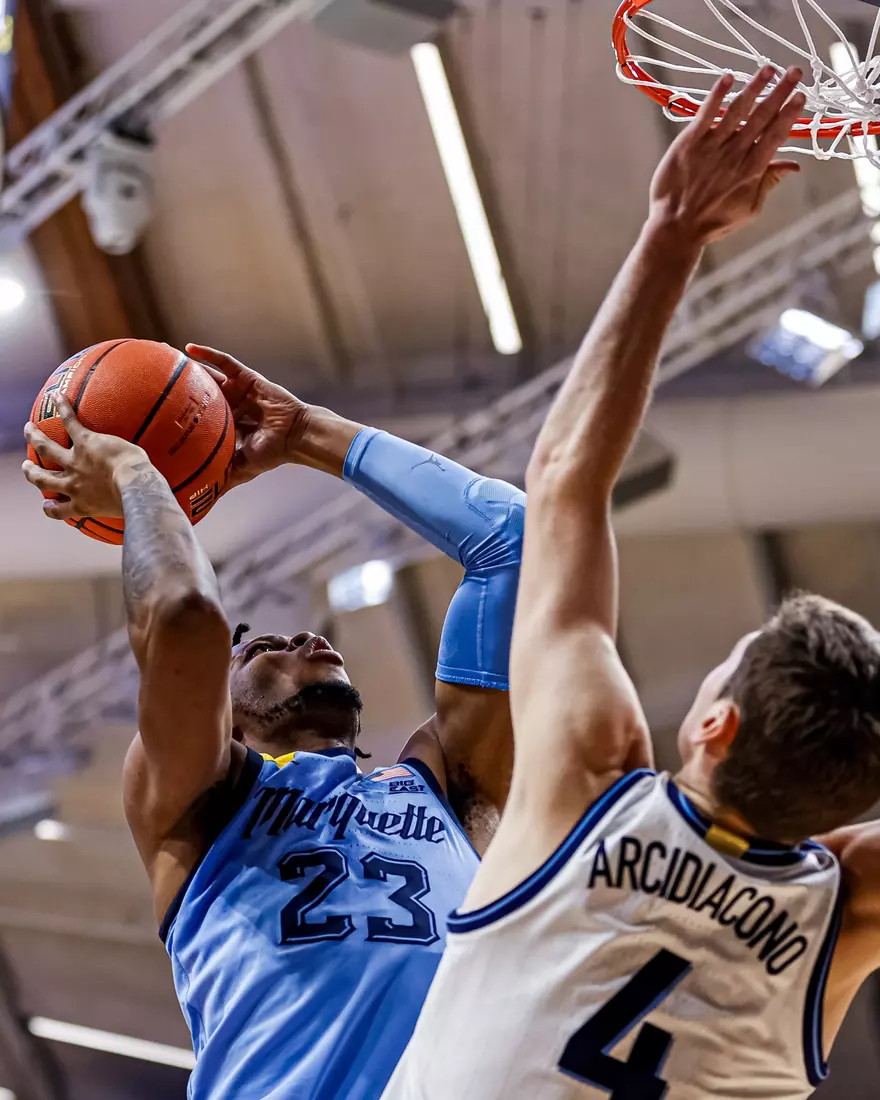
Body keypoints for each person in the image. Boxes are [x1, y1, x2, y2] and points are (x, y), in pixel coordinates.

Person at [383, 66, 880, 1100]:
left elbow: (564, 480)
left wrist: (674, 229)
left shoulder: (586, 777)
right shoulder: (850, 906)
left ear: (715, 725)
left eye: (726, 669)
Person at [21, 360, 524, 1099]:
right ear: (216, 709)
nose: (306, 639)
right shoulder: (201, 800)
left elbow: (514, 542)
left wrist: (309, 434)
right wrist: (135, 474)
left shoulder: (446, 786)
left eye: (308, 640)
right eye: (260, 647)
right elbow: (186, 615)